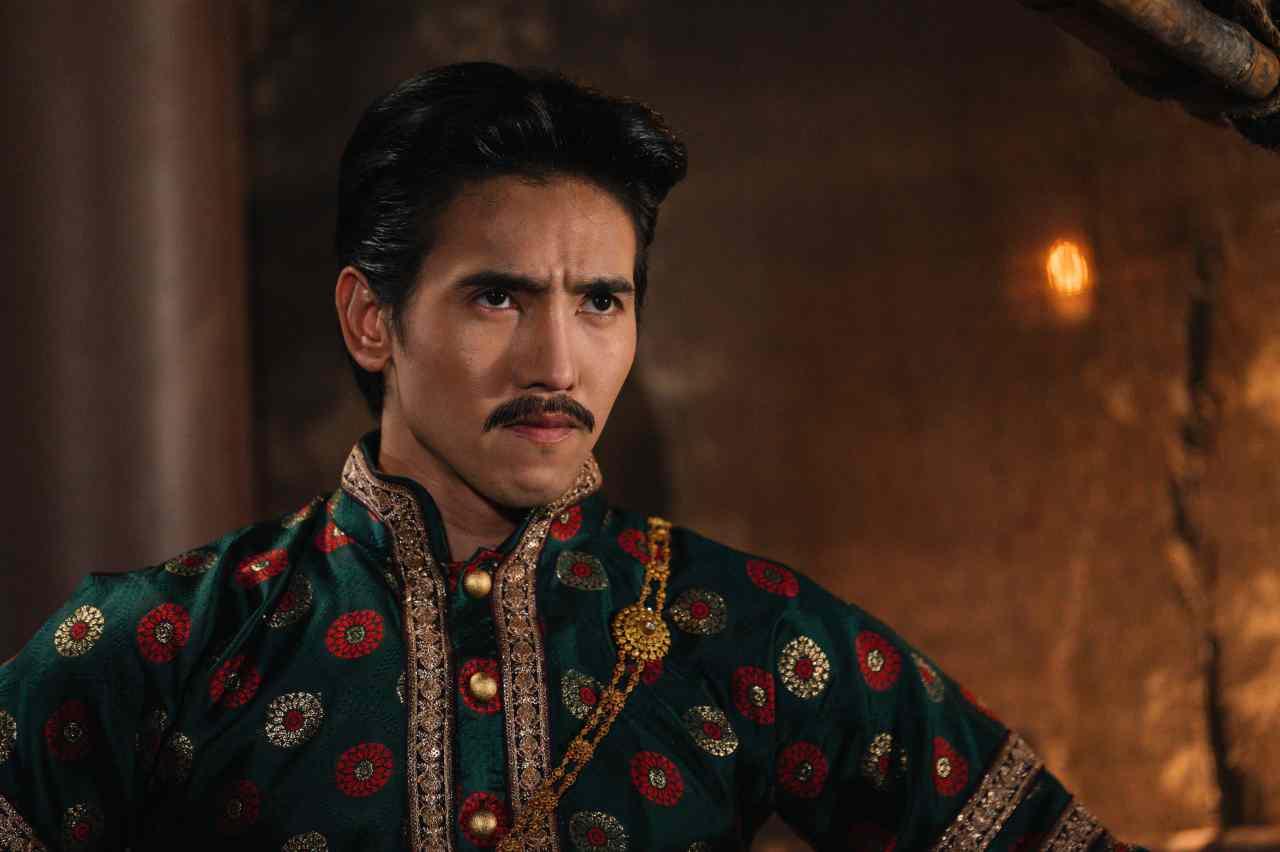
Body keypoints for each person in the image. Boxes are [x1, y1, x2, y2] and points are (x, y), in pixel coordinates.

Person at [0, 62, 1146, 852]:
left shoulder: (741, 632)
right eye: (496, 296)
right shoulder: (168, 645)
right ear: (370, 319)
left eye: (600, 300)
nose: (557, 362)